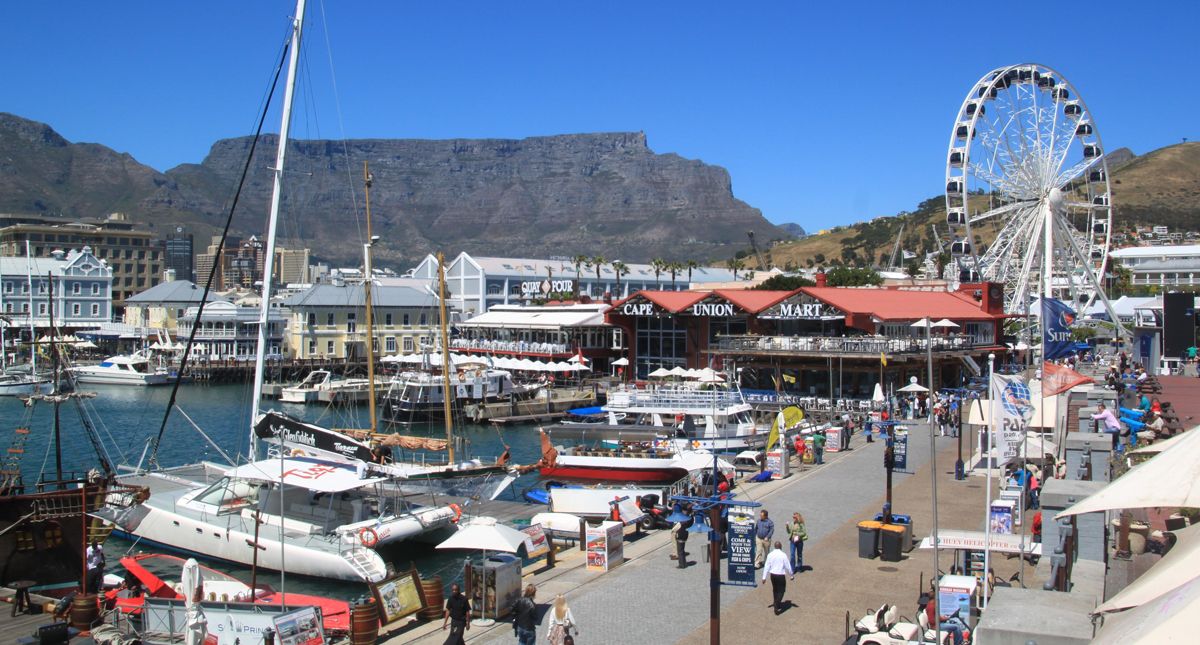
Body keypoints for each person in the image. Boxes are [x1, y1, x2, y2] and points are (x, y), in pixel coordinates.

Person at [761, 540, 794, 614]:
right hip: (780, 575)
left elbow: (767, 566)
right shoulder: (783, 555)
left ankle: (776, 603)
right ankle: (776, 604)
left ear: (774, 547)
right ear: (781, 547)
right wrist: (791, 575)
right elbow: (787, 566)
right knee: (782, 590)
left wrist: (764, 577)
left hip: (772, 575)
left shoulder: (770, 554)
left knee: (775, 590)